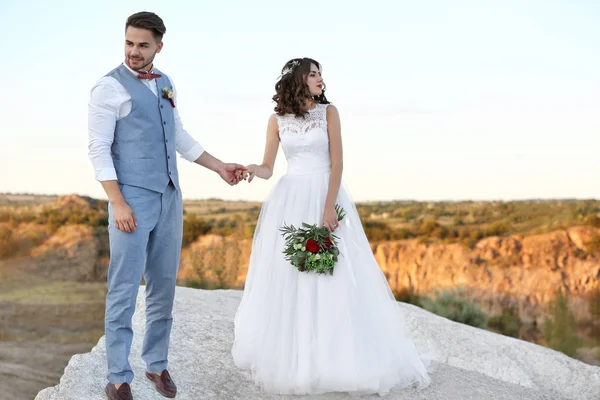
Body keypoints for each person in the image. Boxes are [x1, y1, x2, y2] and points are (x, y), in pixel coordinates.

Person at [231, 58, 434, 396]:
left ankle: (334, 355)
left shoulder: (329, 113)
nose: (320, 79)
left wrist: (328, 207)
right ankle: (297, 356)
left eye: (320, 74)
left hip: (325, 193)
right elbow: (268, 167)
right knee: (293, 272)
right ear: (299, 79)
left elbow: (337, 161)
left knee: (333, 271)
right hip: (291, 198)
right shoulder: (276, 120)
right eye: (313, 74)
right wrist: (254, 167)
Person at [87, 11, 246, 400]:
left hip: (170, 195)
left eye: (143, 44)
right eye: (129, 43)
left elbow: (177, 134)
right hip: (131, 199)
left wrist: (218, 166)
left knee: (163, 286)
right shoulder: (108, 88)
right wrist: (118, 202)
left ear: (159, 45)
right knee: (124, 288)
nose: (134, 52)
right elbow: (98, 149)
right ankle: (118, 376)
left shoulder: (166, 83)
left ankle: (156, 366)